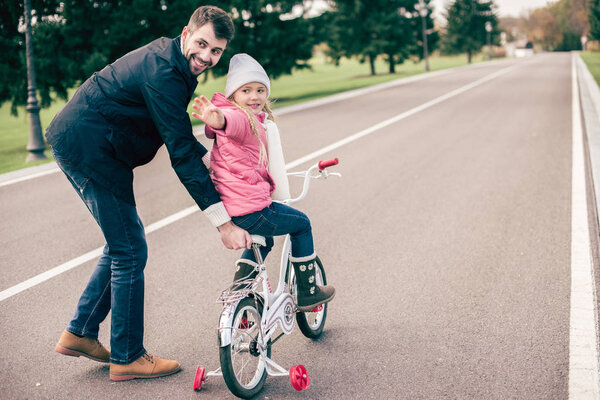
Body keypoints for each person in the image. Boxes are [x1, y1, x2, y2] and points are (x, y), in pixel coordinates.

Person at [46, 6, 251, 381]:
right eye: (202, 44)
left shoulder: (174, 62)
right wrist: (222, 221)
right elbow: (179, 151)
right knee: (129, 249)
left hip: (97, 146)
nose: (206, 57)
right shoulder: (163, 71)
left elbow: (179, 135)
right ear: (185, 32)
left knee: (123, 242)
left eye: (216, 51)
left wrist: (220, 167)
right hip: (89, 147)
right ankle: (127, 356)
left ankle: (80, 333)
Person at [191, 53, 335, 312]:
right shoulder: (242, 119)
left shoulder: (252, 119)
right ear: (233, 95)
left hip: (234, 208)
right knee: (302, 224)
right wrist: (219, 120)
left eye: (260, 90)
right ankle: (308, 292)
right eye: (246, 90)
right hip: (251, 208)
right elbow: (232, 123)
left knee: (264, 241)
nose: (254, 96)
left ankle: (238, 300)